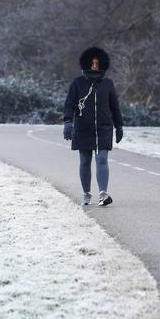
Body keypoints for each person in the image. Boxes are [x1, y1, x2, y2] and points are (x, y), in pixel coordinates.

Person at [63, 46, 124, 206]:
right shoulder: (77, 83)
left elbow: (115, 107)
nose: (95, 66)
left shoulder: (108, 84)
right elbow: (69, 104)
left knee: (102, 159)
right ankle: (86, 193)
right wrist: (68, 121)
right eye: (92, 63)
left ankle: (103, 194)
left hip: (104, 128)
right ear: (87, 64)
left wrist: (119, 126)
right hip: (83, 128)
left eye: (97, 63)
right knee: (85, 161)